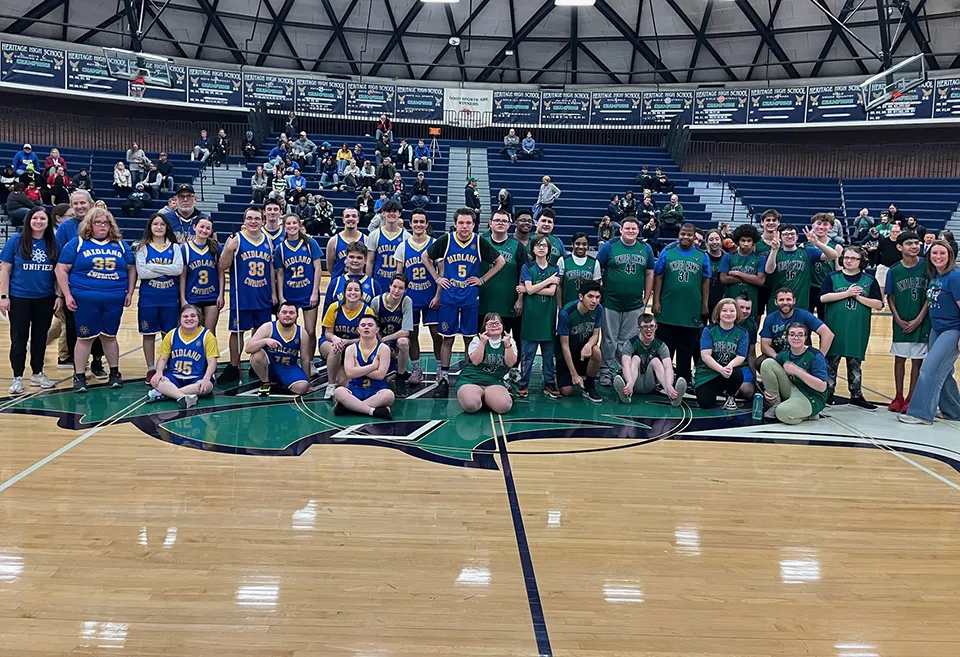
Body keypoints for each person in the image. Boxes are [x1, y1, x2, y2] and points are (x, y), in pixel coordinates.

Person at [422, 208, 506, 396]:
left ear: (474, 224)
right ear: (455, 223)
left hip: (470, 296)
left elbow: (500, 262)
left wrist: (483, 279)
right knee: (447, 338)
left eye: (468, 223)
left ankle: (469, 376)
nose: (465, 226)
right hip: (449, 296)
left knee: (470, 338)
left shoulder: (479, 241)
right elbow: (425, 257)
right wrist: (437, 278)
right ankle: (443, 377)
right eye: (461, 222)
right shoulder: (447, 239)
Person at [55, 208, 136, 393]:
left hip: (113, 299)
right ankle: (79, 375)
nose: (102, 226)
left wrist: (130, 291)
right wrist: (67, 295)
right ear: (89, 225)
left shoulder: (121, 245)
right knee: (84, 337)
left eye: (105, 223)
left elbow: (131, 268)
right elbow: (60, 270)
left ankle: (115, 373)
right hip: (85, 299)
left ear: (111, 225)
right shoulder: (77, 243)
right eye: (97, 223)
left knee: (109, 336)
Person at [898, 241, 960, 423]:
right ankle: (955, 411)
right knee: (944, 373)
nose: (938, 257)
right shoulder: (936, 276)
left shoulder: (955, 277)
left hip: (953, 330)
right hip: (937, 329)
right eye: (934, 253)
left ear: (950, 255)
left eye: (942, 253)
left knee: (929, 369)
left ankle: (920, 414)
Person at [0, 207, 59, 394]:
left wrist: (59, 296)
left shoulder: (53, 243)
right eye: (35, 218)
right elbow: (5, 270)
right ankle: (17, 376)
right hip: (19, 298)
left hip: (45, 298)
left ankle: (37, 372)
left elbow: (59, 273)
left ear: (48, 222)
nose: (39, 221)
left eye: (42, 218)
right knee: (18, 338)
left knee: (40, 338)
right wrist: (3, 296)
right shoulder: (15, 241)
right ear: (29, 220)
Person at [819, 245, 883, 409]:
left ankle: (856, 394)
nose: (849, 261)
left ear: (861, 261)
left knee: (855, 363)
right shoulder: (833, 277)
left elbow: (878, 303)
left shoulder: (869, 280)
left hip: (858, 328)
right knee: (831, 362)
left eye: (853, 258)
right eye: (846, 257)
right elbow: (824, 298)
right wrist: (846, 293)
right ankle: (827, 393)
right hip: (835, 327)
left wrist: (859, 298)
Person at [218, 206, 276, 383]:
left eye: (257, 218)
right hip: (242, 294)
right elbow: (222, 265)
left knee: (261, 333)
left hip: (263, 294)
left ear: (263, 221)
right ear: (244, 221)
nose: (253, 221)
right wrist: (228, 250)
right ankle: (233, 366)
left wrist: (273, 292)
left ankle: (255, 364)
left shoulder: (268, 240)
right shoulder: (237, 239)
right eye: (249, 218)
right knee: (237, 332)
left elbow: (271, 268)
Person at [595, 217, 655, 385]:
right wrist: (599, 294)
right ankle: (605, 371)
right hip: (610, 301)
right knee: (609, 339)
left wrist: (646, 297)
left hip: (635, 303)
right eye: (627, 228)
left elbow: (650, 273)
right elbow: (597, 270)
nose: (630, 231)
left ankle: (622, 371)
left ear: (638, 231)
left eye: (633, 229)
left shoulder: (645, 248)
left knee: (627, 341)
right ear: (620, 229)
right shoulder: (610, 246)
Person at [653, 223, 712, 384]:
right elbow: (658, 276)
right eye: (682, 234)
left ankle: (683, 379)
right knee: (665, 345)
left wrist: (704, 304)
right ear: (678, 234)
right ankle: (662, 379)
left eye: (689, 235)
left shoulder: (702, 256)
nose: (685, 237)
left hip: (691, 308)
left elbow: (706, 281)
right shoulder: (668, 251)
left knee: (686, 347)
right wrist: (656, 300)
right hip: (668, 307)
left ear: (695, 238)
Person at [393, 209, 441, 386]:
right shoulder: (403, 246)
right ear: (410, 224)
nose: (419, 225)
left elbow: (441, 273)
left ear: (427, 224)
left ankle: (440, 369)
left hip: (431, 299)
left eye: (422, 221)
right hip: (410, 300)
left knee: (436, 334)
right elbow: (398, 276)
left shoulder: (435, 243)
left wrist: (438, 295)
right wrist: (399, 298)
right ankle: (416, 369)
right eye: (416, 222)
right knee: (412, 335)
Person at [884, 231, 930, 412]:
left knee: (917, 361)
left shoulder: (927, 267)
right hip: (901, 320)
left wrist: (919, 318)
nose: (914, 246)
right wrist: (897, 318)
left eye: (916, 243)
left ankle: (911, 397)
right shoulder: (894, 271)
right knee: (900, 359)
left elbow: (929, 296)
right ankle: (898, 396)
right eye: (909, 243)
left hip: (923, 321)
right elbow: (890, 297)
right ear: (899, 247)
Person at [136, 214, 183, 381]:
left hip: (170, 298)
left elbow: (178, 270)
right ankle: (150, 368)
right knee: (148, 334)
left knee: (168, 334)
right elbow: (142, 273)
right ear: (150, 227)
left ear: (167, 227)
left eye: (162, 224)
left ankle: (167, 366)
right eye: (155, 224)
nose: (158, 227)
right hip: (148, 298)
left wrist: (153, 267)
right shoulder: (143, 247)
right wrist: (166, 268)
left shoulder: (175, 248)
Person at [275, 214, 323, 369]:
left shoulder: (310, 243)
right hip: (290, 295)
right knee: (291, 332)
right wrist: (281, 296)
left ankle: (308, 362)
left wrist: (315, 292)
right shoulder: (280, 248)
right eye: (288, 223)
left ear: (299, 224)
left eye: (294, 223)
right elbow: (280, 274)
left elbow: (318, 269)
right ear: (284, 226)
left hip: (308, 294)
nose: (291, 226)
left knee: (309, 331)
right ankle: (292, 360)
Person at [147, 304, 218, 409]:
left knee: (207, 387)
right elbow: (163, 358)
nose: (189, 318)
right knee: (156, 381)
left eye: (193, 316)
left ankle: (166, 394)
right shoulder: (172, 334)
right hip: (174, 377)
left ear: (199, 318)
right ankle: (183, 397)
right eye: (185, 316)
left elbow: (212, 361)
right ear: (180, 319)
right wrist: (158, 372)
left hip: (196, 378)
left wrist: (206, 378)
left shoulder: (207, 336)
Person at [760, 322, 829, 424]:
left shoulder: (815, 356)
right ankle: (775, 404)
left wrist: (798, 372)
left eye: (800, 335)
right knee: (767, 363)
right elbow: (772, 372)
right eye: (792, 334)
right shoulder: (785, 354)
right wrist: (768, 390)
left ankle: (810, 415)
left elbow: (822, 387)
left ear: (806, 337)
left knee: (782, 413)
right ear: (787, 337)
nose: (796, 338)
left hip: (811, 396)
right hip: (792, 389)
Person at [518, 234, 561, 399]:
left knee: (548, 357)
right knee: (527, 355)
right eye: (538, 245)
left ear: (549, 249)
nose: (541, 248)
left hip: (547, 318)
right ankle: (523, 384)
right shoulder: (527, 267)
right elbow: (528, 290)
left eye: (544, 245)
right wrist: (547, 281)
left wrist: (532, 289)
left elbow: (551, 292)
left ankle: (549, 384)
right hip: (530, 318)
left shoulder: (554, 268)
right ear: (533, 248)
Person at [478, 208, 527, 351]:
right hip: (484, 302)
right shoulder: (481, 242)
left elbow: (523, 273)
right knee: (483, 339)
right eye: (497, 220)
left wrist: (520, 298)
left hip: (509, 302)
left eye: (504, 221)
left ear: (509, 224)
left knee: (511, 339)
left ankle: (513, 368)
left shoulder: (517, 245)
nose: (501, 223)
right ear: (490, 224)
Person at [763, 221, 838, 313]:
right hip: (778, 302)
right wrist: (774, 250)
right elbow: (769, 270)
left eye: (792, 234)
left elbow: (833, 255)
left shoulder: (807, 251)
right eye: (786, 234)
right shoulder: (774, 253)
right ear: (780, 237)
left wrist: (817, 243)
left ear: (797, 237)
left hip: (800, 303)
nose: (790, 236)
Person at [319, 279, 376, 399]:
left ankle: (339, 371)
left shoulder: (367, 311)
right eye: (349, 290)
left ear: (361, 293)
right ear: (344, 292)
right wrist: (335, 339)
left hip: (352, 348)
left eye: (356, 290)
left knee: (345, 383)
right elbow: (327, 333)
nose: (353, 293)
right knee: (336, 348)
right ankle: (330, 385)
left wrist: (346, 342)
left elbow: (365, 338)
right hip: (330, 343)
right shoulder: (334, 307)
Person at [614, 313, 686, 405]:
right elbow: (625, 365)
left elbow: (668, 367)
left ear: (656, 327)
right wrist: (629, 382)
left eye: (651, 326)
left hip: (649, 382)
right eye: (645, 327)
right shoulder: (630, 343)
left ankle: (671, 394)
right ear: (639, 328)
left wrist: (669, 385)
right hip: (633, 382)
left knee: (656, 361)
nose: (649, 330)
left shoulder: (661, 345)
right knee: (635, 358)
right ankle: (626, 394)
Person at [242, 301, 311, 397]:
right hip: (268, 366)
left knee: (302, 388)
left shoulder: (302, 333)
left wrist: (308, 380)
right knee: (257, 355)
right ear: (278, 314)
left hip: (288, 367)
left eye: (291, 313)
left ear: (297, 316)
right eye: (284, 312)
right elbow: (248, 348)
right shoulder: (268, 327)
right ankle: (265, 382)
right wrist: (265, 341)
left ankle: (282, 383)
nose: (287, 315)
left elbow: (305, 359)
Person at [333, 315, 395, 418]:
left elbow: (380, 375)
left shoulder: (383, 348)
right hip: (355, 388)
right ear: (358, 330)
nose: (366, 327)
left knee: (389, 395)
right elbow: (350, 373)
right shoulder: (351, 349)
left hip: (377, 390)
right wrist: (372, 366)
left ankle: (351, 407)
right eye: (363, 325)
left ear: (377, 330)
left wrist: (358, 369)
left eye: (370, 325)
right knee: (339, 391)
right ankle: (372, 411)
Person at [694, 298, 748, 411]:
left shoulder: (742, 332)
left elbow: (741, 356)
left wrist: (729, 367)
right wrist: (721, 369)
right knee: (706, 403)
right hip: (708, 372)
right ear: (718, 312)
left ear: (737, 313)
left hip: (727, 372)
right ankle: (703, 386)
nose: (728, 314)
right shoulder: (709, 330)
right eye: (724, 310)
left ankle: (730, 396)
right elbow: (705, 355)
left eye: (732, 311)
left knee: (737, 373)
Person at [457, 313, 517, 414]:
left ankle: (489, 397)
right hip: (471, 379)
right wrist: (482, 343)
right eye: (490, 324)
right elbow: (476, 361)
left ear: (502, 326)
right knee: (471, 406)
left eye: (497, 323)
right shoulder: (477, 340)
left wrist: (507, 345)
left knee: (504, 407)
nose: (494, 326)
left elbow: (510, 363)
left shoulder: (509, 341)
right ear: (484, 327)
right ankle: (478, 396)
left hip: (493, 381)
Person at [556, 280, 603, 401]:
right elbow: (564, 345)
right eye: (590, 296)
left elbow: (596, 334)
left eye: (597, 297)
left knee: (596, 351)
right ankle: (571, 373)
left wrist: (589, 345)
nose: (594, 301)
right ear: (581, 297)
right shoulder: (566, 313)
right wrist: (574, 374)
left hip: (583, 350)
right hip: (568, 352)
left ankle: (589, 385)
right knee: (567, 391)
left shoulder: (599, 309)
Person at [759, 288, 834, 361]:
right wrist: (777, 357)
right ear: (775, 302)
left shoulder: (804, 315)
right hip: (780, 355)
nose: (785, 303)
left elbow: (828, 334)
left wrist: (819, 358)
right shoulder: (770, 318)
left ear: (794, 301)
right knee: (760, 362)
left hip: (802, 356)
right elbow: (765, 346)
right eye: (781, 300)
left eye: (788, 299)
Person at [370, 274, 413, 394]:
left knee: (403, 342)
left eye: (400, 288)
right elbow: (372, 328)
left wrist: (385, 340)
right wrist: (382, 343)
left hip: (395, 339)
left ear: (405, 290)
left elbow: (405, 331)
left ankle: (400, 377)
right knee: (383, 379)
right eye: (394, 286)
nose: (396, 290)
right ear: (389, 286)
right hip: (378, 339)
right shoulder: (377, 302)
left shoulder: (406, 301)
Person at [180, 216, 224, 335]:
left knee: (210, 333)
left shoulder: (216, 247)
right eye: (202, 227)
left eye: (208, 228)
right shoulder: (185, 248)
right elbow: (183, 276)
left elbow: (220, 274)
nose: (204, 230)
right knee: (193, 332)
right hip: (192, 297)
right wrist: (183, 299)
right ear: (194, 227)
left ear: (211, 231)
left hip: (211, 296)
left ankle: (210, 354)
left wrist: (221, 295)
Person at [719, 224, 766, 320]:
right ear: (738, 241)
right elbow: (723, 279)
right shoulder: (728, 257)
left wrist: (737, 273)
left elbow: (760, 281)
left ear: (753, 242)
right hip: (731, 302)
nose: (746, 243)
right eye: (743, 240)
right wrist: (751, 278)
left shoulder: (760, 259)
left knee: (751, 331)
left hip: (751, 303)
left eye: (749, 241)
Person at [365, 200, 408, 293]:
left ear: (399, 214)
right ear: (383, 213)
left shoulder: (406, 236)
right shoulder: (375, 235)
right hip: (378, 281)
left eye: (394, 211)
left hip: (398, 284)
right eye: (388, 211)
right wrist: (368, 282)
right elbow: (369, 261)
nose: (391, 214)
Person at [324, 241, 380, 310]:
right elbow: (326, 313)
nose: (355, 260)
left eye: (359, 258)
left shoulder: (374, 285)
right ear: (346, 259)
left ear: (365, 260)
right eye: (351, 257)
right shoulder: (335, 283)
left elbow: (379, 314)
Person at [753, 209, 780, 312]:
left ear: (778, 223)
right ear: (762, 223)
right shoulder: (755, 243)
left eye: (774, 220)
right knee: (756, 315)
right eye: (768, 220)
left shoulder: (784, 242)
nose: (771, 223)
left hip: (777, 285)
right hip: (758, 285)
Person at [327, 208, 364, 279]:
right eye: (347, 216)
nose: (350, 218)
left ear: (358, 219)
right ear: (343, 220)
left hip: (359, 283)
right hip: (339, 283)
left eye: (354, 216)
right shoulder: (334, 240)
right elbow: (330, 267)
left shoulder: (365, 239)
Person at [704, 229, 726, 317]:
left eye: (717, 239)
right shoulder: (703, 257)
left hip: (721, 299)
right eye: (711, 239)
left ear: (721, 240)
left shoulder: (727, 258)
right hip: (704, 300)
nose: (714, 242)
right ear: (706, 242)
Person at [876, 222, 903, 290]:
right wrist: (878, 264)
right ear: (890, 232)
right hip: (884, 267)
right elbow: (878, 253)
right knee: (880, 288)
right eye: (893, 231)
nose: (895, 233)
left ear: (900, 232)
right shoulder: (883, 241)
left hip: (899, 269)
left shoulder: (903, 243)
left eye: (897, 232)